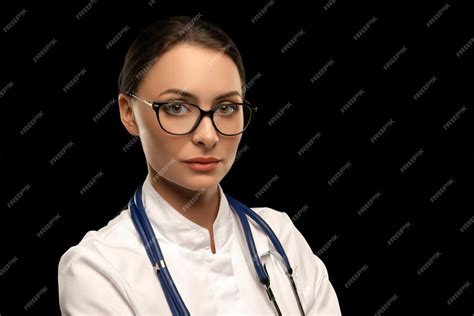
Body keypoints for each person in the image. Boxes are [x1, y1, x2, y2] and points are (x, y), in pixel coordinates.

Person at [58, 16, 341, 315]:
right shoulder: (97, 268)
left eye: (227, 108)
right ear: (129, 113)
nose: (208, 136)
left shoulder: (281, 237)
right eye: (177, 108)